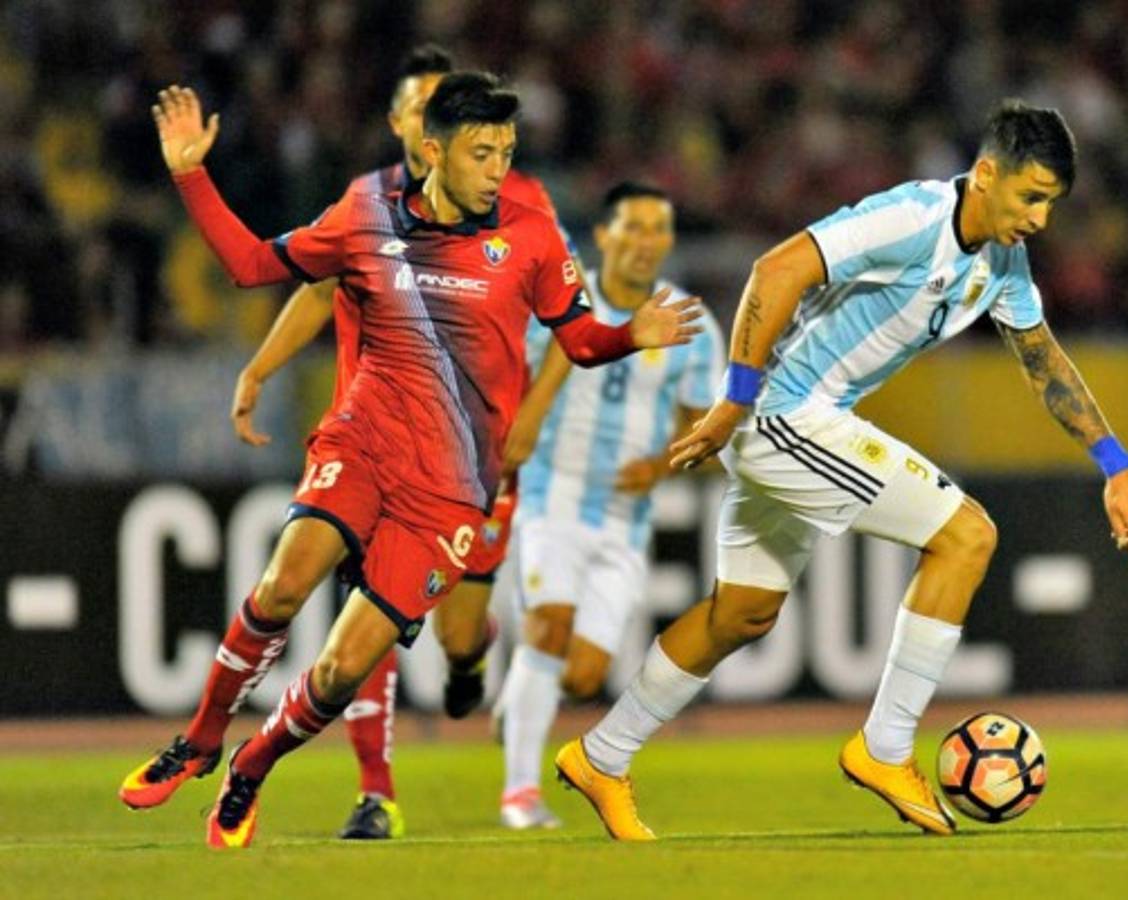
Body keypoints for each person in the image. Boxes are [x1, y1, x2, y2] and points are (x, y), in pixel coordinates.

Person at [123, 75, 701, 850]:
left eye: (506, 151)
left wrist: (633, 333)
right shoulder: (363, 215)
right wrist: (190, 173)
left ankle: (251, 767)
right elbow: (253, 267)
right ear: (432, 150)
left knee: (337, 673)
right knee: (283, 584)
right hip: (362, 445)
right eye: (480, 151)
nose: (498, 168)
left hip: (452, 490)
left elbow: (581, 340)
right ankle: (199, 739)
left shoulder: (530, 238)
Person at [554, 100, 1128, 840]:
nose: (1038, 219)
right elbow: (777, 268)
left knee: (739, 614)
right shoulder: (911, 219)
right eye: (1030, 197)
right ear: (987, 173)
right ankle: (884, 748)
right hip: (784, 415)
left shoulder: (1003, 261)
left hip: (801, 419)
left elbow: (1041, 362)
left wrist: (1114, 463)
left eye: (1050, 205)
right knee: (966, 537)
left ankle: (601, 755)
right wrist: (733, 400)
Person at [226, 44, 577, 841]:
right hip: (377, 442)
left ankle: (465, 666)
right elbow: (313, 288)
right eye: (417, 114)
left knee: (457, 634)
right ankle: (374, 791)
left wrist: (530, 416)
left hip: (474, 459)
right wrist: (259, 368)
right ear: (404, 129)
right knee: (361, 612)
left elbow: (567, 318)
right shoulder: (365, 214)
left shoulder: (517, 202)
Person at [493, 182, 723, 829]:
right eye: (634, 226)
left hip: (625, 518)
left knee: (583, 675)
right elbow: (516, 377)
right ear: (602, 235)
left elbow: (700, 426)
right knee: (548, 627)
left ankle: (518, 702)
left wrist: (659, 465)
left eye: (659, 229)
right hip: (550, 492)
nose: (647, 241)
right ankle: (519, 794)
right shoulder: (560, 297)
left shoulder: (691, 324)